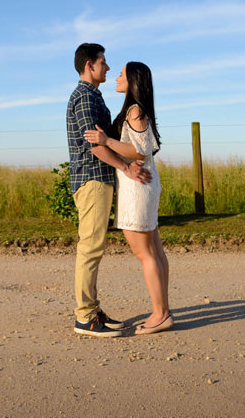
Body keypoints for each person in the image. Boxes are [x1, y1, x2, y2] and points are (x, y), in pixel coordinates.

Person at [66, 42, 151, 338]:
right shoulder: (85, 99)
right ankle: (85, 317)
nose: (108, 67)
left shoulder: (93, 97)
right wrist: (126, 167)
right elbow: (95, 145)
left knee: (94, 246)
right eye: (103, 62)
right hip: (92, 179)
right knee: (90, 247)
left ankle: (92, 309)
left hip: (97, 180)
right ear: (90, 65)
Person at [85, 61, 171, 335]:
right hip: (143, 184)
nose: (116, 77)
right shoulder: (135, 109)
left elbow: (140, 151)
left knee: (145, 253)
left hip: (137, 187)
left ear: (133, 80)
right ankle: (163, 310)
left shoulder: (134, 110)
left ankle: (160, 314)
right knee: (154, 251)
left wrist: (106, 140)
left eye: (121, 74)